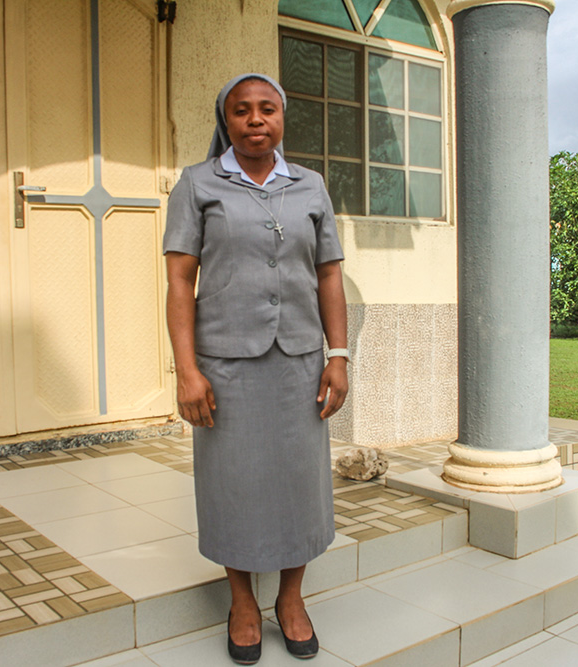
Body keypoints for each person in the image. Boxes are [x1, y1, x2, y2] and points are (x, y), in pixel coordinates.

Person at [163, 73, 349, 664]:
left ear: (282, 117)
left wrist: (338, 356)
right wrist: (186, 370)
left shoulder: (312, 187)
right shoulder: (197, 184)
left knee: (300, 482)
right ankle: (242, 600)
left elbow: (329, 276)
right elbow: (178, 281)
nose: (255, 120)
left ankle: (290, 600)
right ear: (227, 120)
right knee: (233, 485)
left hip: (298, 361)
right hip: (226, 366)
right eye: (241, 111)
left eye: (267, 109)